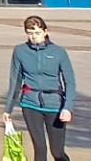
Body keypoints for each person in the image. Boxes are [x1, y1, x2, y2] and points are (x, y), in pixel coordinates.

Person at [6, 14, 75, 160]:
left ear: (45, 31)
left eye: (37, 33)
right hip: (30, 105)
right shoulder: (20, 51)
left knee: (57, 152)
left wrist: (67, 107)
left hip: (54, 106)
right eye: (30, 33)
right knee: (40, 148)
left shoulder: (58, 52)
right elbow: (15, 81)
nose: (33, 37)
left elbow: (69, 81)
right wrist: (8, 109)